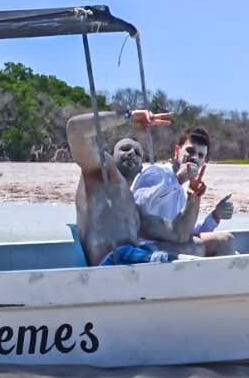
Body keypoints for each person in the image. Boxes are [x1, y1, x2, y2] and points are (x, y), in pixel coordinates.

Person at [66, 108, 176, 266]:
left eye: (138, 153)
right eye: (125, 149)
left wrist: (195, 198)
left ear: (140, 169)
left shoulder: (133, 207)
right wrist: (128, 116)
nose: (131, 153)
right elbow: (75, 129)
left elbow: (178, 232)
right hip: (109, 261)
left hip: (131, 261)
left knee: (190, 249)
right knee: (170, 261)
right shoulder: (100, 171)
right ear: (111, 155)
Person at [132, 127, 239, 257]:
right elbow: (138, 207)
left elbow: (186, 233)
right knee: (225, 242)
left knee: (229, 247)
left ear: (203, 162)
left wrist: (215, 216)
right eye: (190, 151)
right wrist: (177, 179)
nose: (194, 158)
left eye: (200, 155)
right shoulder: (156, 172)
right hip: (143, 248)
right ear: (177, 151)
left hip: (167, 246)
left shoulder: (182, 192)